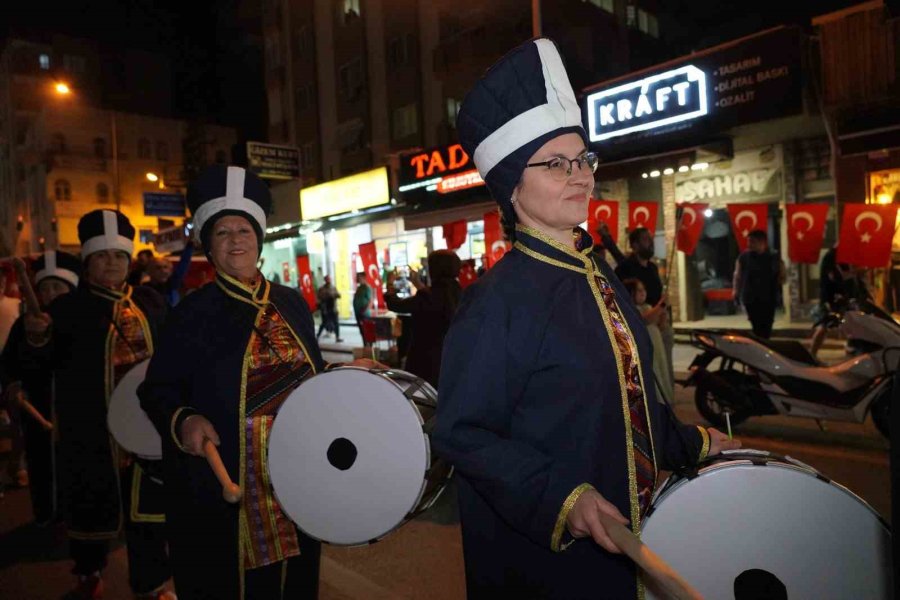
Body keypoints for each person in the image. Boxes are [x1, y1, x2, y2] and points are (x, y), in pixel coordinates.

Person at [433, 38, 738, 600]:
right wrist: (560, 497)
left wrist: (693, 443)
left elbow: (633, 400)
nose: (581, 176)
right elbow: (460, 432)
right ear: (512, 187)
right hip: (549, 566)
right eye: (556, 164)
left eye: (583, 159)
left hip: (636, 539)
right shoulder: (495, 303)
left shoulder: (597, 273)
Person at [138, 165, 377, 599]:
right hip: (228, 483)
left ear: (259, 238)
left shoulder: (290, 302)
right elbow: (156, 390)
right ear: (209, 246)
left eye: (244, 229)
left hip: (297, 474)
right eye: (223, 232)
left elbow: (314, 380)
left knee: (295, 580)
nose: (235, 239)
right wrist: (184, 420)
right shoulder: (191, 314)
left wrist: (347, 380)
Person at [21, 210, 172, 600]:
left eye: (119, 256)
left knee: (148, 516)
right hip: (93, 434)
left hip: (146, 431)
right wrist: (37, 339)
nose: (112, 263)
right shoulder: (65, 311)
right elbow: (36, 366)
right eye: (102, 256)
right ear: (88, 261)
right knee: (91, 509)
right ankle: (88, 573)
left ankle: (151, 584)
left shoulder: (150, 303)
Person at [0, 250, 81, 525]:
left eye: (58, 287)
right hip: (39, 406)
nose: (49, 294)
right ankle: (45, 514)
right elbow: (8, 362)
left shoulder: (81, 321)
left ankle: (76, 515)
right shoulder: (24, 324)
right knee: (41, 463)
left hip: (75, 409)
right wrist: (13, 384)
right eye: (44, 287)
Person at [599, 223, 673, 385]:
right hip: (641, 326)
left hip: (660, 325)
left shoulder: (653, 267)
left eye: (650, 239)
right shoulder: (626, 268)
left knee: (664, 368)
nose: (650, 242)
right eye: (646, 239)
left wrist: (663, 314)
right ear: (635, 245)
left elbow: (658, 295)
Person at [385, 251, 462, 387]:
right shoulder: (462, 292)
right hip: (455, 359)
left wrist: (390, 284)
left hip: (426, 363)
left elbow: (395, 304)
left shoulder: (428, 297)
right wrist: (418, 284)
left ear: (434, 269)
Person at [810, 245, 870, 357]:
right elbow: (835, 276)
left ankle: (850, 349)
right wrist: (856, 270)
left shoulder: (845, 254)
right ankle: (811, 355)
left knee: (852, 322)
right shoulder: (832, 255)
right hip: (831, 297)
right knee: (824, 325)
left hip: (845, 296)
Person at [622, 278, 674, 404]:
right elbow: (646, 319)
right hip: (646, 346)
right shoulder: (631, 309)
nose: (643, 293)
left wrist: (663, 313)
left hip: (657, 345)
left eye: (643, 290)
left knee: (661, 370)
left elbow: (659, 324)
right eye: (639, 290)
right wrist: (661, 304)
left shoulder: (648, 306)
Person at [733, 229, 785, 339]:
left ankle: (764, 348)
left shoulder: (773, 256)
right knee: (756, 326)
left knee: (767, 326)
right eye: (748, 241)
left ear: (762, 242)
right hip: (750, 298)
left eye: (752, 241)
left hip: (768, 297)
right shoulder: (743, 257)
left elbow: (782, 275)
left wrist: (779, 284)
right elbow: (737, 275)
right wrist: (735, 291)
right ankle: (760, 348)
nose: (749, 244)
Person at [143, 242, 194, 307]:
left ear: (170, 270)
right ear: (150, 271)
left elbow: (183, 264)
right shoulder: (145, 290)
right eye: (158, 268)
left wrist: (189, 246)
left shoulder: (173, 284)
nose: (163, 271)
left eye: (165, 267)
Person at [316, 274, 342, 342]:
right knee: (324, 323)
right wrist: (327, 296)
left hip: (333, 308)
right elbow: (319, 297)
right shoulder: (322, 289)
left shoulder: (333, 288)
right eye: (327, 279)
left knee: (336, 323)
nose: (328, 280)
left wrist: (334, 295)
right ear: (325, 280)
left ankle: (337, 337)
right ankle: (318, 336)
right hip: (326, 309)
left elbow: (338, 295)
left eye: (329, 279)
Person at [352, 272, 372, 345]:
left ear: (363, 278)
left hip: (364, 314)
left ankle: (369, 346)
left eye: (358, 277)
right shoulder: (359, 287)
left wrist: (364, 309)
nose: (357, 279)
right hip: (358, 313)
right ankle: (365, 345)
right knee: (362, 331)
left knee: (366, 331)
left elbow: (370, 301)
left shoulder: (367, 287)